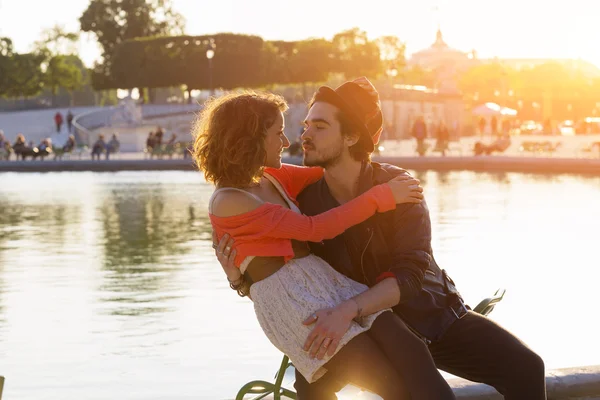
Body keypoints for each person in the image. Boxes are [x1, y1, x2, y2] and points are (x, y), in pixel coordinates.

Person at [216, 78, 547, 400]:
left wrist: (349, 309)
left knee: (527, 367)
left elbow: (410, 276)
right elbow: (288, 280)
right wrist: (238, 278)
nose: (303, 136)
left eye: (319, 127)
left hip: (431, 320)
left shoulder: (400, 189)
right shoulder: (303, 201)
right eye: (305, 125)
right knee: (312, 390)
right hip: (357, 332)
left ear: (350, 137)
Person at [195, 92, 455, 399]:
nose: (286, 141)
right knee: (387, 382)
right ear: (250, 139)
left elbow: (333, 168)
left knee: (410, 349)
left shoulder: (271, 177)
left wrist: (375, 166)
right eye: (277, 133)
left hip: (325, 281)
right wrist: (383, 196)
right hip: (292, 300)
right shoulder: (229, 200)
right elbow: (315, 229)